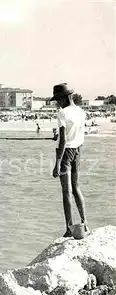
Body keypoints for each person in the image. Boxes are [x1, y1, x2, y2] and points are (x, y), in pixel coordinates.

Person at [50, 83, 88, 237]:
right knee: (76, 188)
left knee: (66, 192)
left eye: (58, 99)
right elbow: (75, 134)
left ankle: (69, 227)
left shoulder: (62, 113)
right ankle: (85, 224)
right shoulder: (81, 112)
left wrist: (57, 164)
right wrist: (59, 137)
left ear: (65, 98)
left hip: (66, 153)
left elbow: (64, 140)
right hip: (78, 150)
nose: (58, 103)